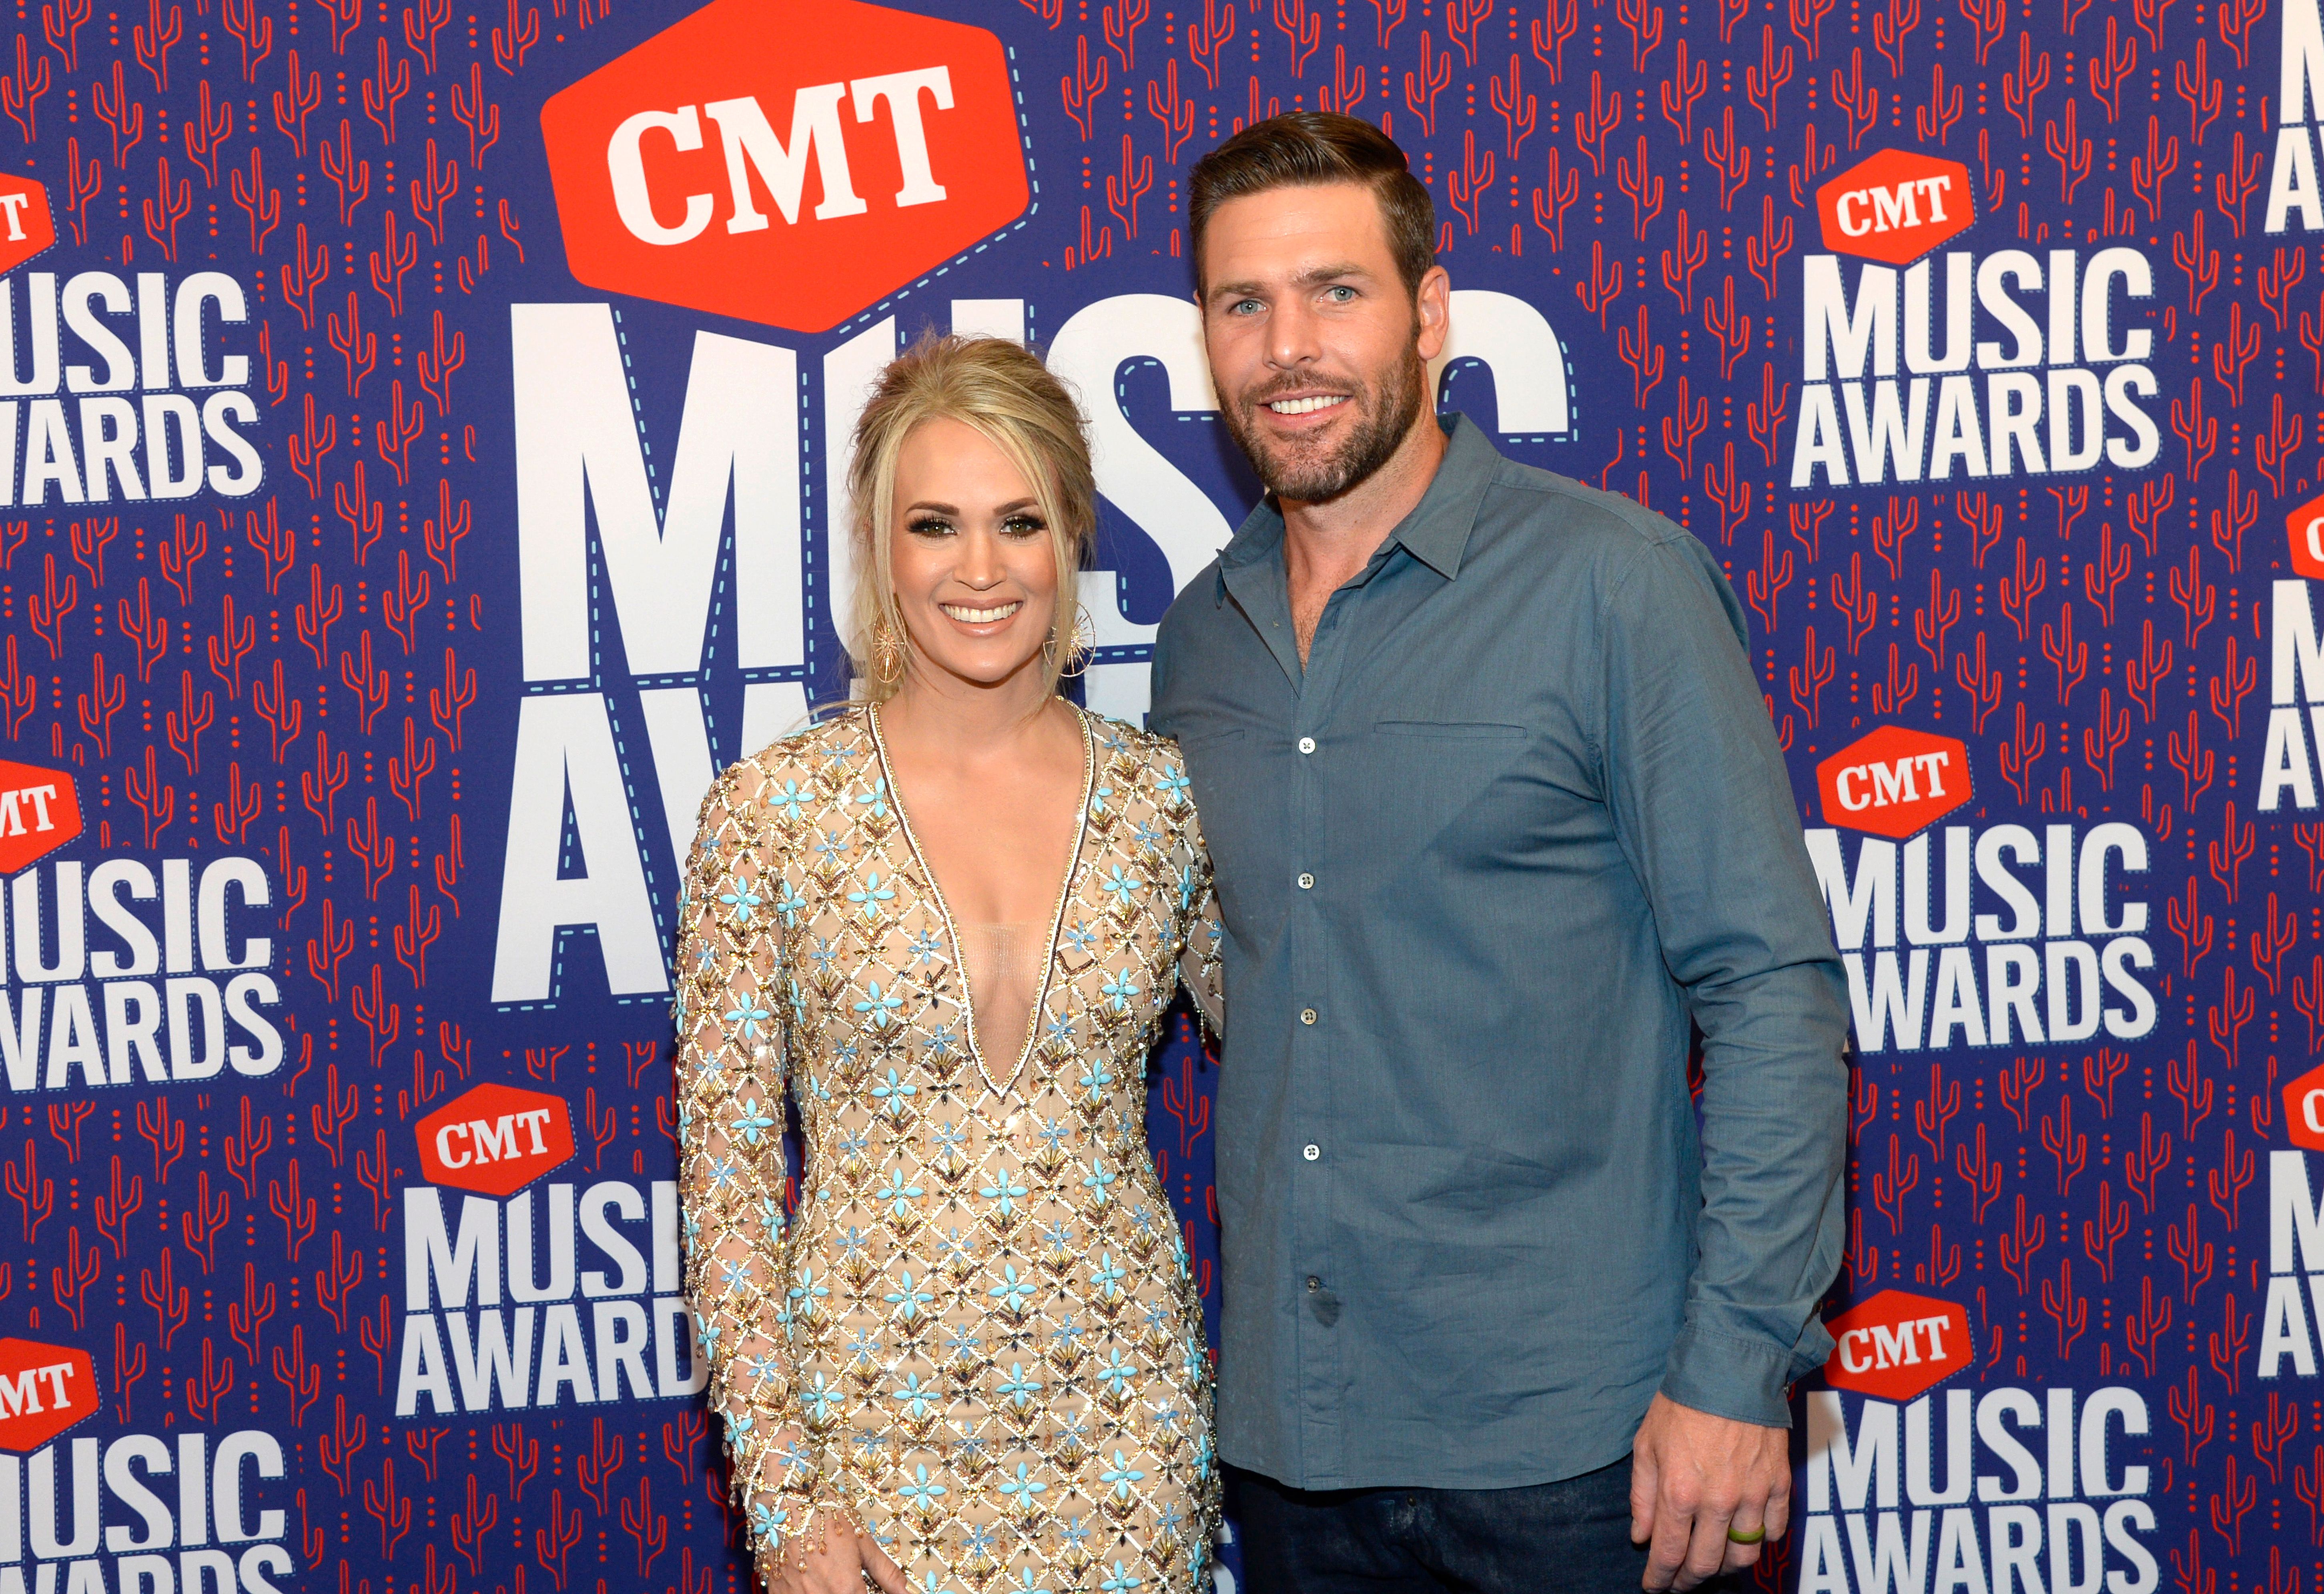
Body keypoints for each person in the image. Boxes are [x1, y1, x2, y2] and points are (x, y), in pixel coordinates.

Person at [1148, 113, 1850, 1594]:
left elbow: (1774, 994)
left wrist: (1737, 1373)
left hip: (1592, 1460)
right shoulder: (1197, 645)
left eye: (1336, 290)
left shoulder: (1616, 585)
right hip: (1295, 1456)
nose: (1291, 345)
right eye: (1243, 302)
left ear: (1431, 315)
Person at [674, 334, 1227, 1594]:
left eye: (1019, 522)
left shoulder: (1162, 803)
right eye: (935, 524)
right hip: (863, 1445)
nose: (980, 570)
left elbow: (1309, 1041)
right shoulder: (772, 816)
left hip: (1124, 1438)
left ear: (1071, 538)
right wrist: (785, 1496)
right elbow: (724, 1193)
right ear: (879, 547)